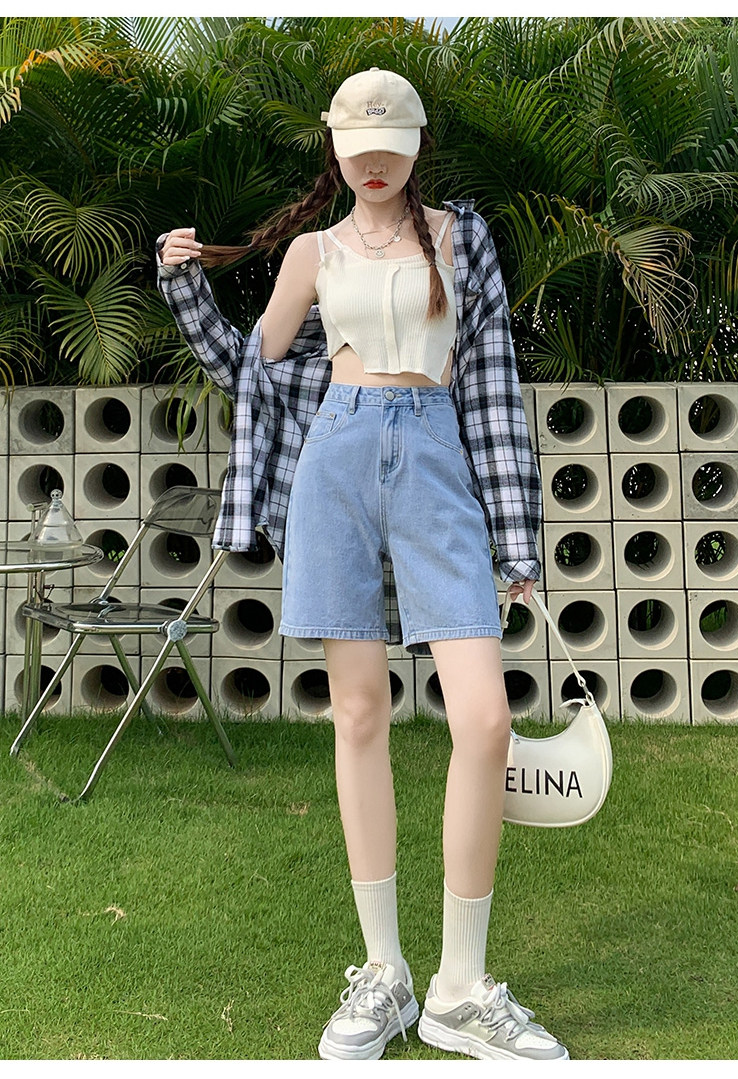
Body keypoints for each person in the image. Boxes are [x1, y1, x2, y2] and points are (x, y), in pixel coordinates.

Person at [156, 67, 567, 1062]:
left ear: (418, 147)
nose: (375, 163)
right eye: (357, 148)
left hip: (434, 458)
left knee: (485, 717)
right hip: (334, 461)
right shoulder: (313, 251)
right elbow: (251, 366)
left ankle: (460, 988)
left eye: (392, 145)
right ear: (336, 152)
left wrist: (515, 536)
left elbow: (490, 384)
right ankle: (384, 972)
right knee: (359, 713)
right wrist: (183, 286)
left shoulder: (462, 240)